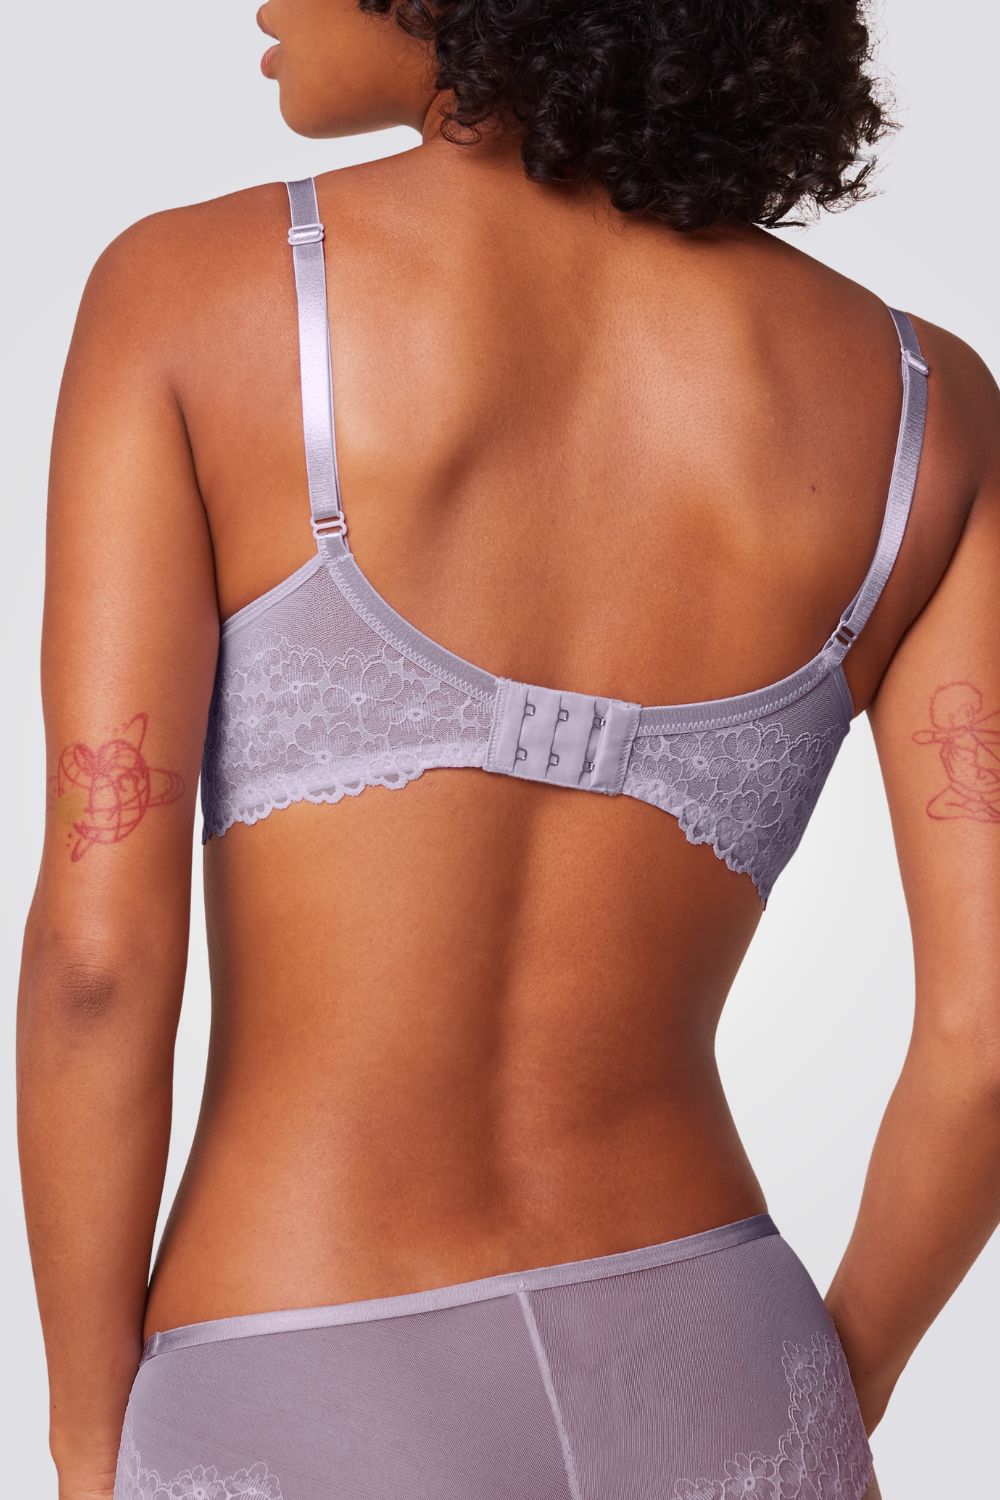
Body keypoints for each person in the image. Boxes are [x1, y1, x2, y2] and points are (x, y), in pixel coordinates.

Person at [17, 2, 999, 1497]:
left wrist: (89, 1444)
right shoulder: (931, 409)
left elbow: (95, 966)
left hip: (297, 1380)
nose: (263, 2)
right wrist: (825, 1394)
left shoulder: (190, 294)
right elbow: (987, 1038)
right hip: (724, 1365)